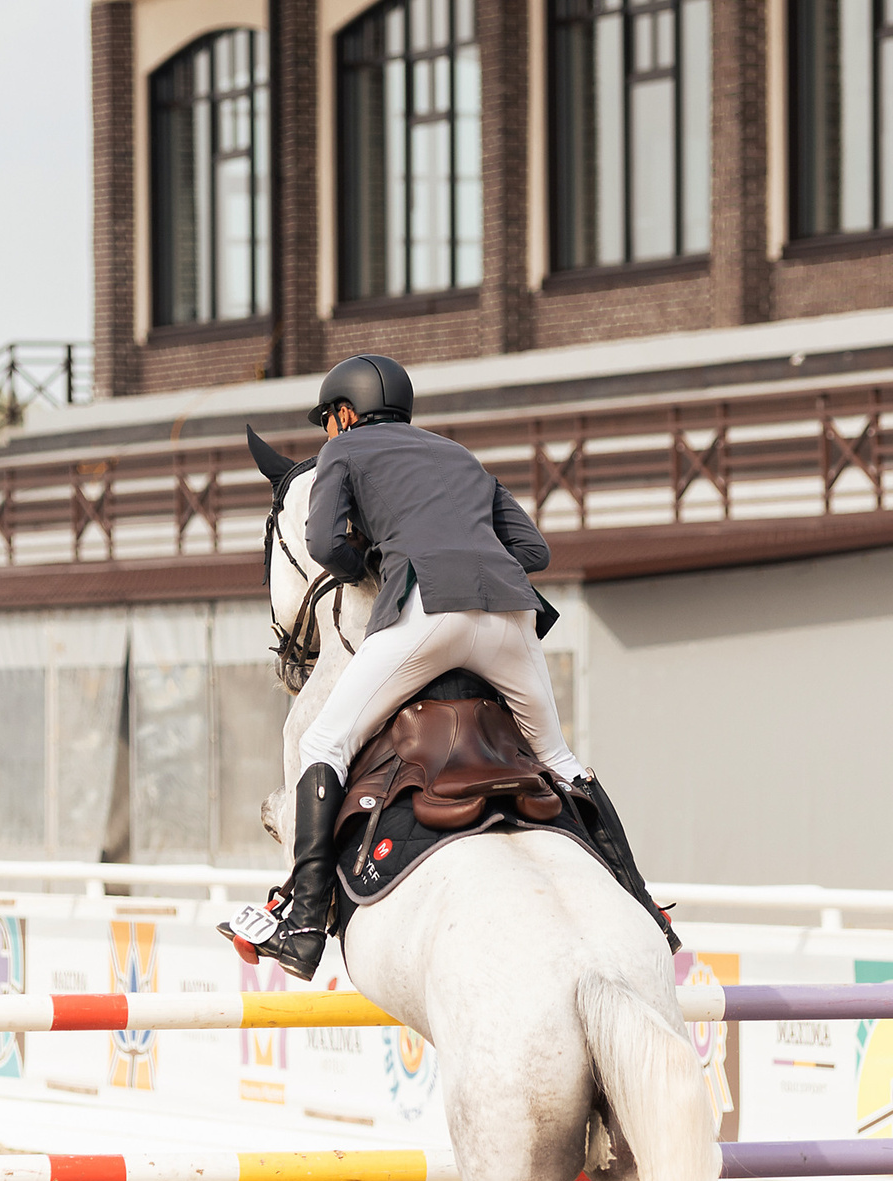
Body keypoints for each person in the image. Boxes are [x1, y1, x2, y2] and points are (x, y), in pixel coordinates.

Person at [229, 353, 675, 981]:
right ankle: (645, 911)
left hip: (427, 609)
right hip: (511, 617)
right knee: (560, 759)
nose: (329, 431)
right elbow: (533, 551)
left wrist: (376, 562)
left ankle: (301, 927)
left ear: (347, 414)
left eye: (329, 419)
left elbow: (326, 547)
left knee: (323, 739)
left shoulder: (343, 453)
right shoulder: (459, 456)